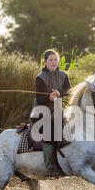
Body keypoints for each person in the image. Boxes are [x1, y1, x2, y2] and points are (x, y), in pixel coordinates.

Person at [30, 49, 71, 178]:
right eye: (51, 60)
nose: (54, 62)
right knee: (50, 133)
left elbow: (68, 90)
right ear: (45, 62)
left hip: (58, 111)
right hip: (41, 113)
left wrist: (60, 93)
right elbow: (40, 99)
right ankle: (50, 168)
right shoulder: (40, 79)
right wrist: (50, 98)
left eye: (55, 59)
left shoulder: (63, 75)